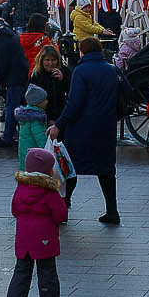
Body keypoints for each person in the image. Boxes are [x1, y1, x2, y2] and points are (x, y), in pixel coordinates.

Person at [51, 36, 122, 225]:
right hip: (105, 127)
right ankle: (112, 210)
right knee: (106, 169)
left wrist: (59, 124)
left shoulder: (80, 71)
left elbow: (74, 103)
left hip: (81, 128)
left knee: (70, 166)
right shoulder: (112, 70)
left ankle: (64, 204)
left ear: (82, 51)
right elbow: (126, 94)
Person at [5, 146, 68, 297]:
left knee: (21, 270)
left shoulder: (21, 188)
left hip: (24, 238)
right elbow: (61, 214)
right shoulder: (50, 191)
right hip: (45, 238)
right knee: (47, 271)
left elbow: (15, 210)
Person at [0, 21, 28, 147]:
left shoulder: (1, 41)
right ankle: (18, 134)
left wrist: (0, 79)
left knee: (11, 107)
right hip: (21, 75)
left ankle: (8, 137)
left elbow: (3, 62)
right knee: (18, 106)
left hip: (14, 78)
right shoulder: (10, 37)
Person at [14, 81, 52, 166]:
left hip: (26, 153)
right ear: (37, 103)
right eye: (44, 100)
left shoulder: (26, 116)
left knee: (27, 173)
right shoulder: (36, 118)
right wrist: (48, 151)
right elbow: (40, 138)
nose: (47, 102)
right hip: (36, 155)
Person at [28, 43, 67, 120]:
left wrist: (63, 80)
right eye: (47, 60)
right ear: (41, 60)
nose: (50, 63)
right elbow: (32, 101)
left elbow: (71, 92)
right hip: (42, 117)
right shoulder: (36, 75)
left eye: (53, 60)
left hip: (61, 116)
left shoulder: (64, 71)